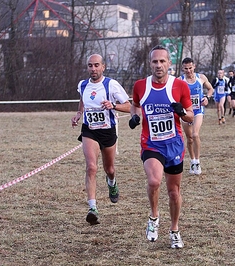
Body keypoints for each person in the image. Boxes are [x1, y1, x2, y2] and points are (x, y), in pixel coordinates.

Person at [128, 45, 194, 249]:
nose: (158, 65)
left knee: (174, 192)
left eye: (162, 61)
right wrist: (134, 116)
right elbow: (135, 104)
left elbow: (191, 116)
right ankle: (154, 217)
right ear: (150, 63)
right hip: (151, 144)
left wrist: (182, 112)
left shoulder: (180, 86)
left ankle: (174, 230)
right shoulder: (140, 85)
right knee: (154, 181)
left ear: (169, 63)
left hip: (174, 145)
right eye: (155, 61)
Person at [71, 54, 131, 225]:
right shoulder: (83, 85)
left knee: (109, 169)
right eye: (90, 65)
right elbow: (83, 100)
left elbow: (129, 106)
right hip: (89, 131)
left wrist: (114, 106)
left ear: (103, 67)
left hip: (108, 131)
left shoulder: (111, 85)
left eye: (97, 65)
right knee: (91, 167)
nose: (93, 69)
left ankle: (112, 182)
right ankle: (93, 208)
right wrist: (78, 114)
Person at [179, 57, 214, 175]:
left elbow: (210, 89)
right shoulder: (180, 80)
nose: (188, 71)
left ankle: (198, 162)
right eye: (185, 69)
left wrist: (207, 97)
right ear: (182, 69)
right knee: (189, 138)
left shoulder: (201, 78)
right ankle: (192, 161)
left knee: (195, 134)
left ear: (194, 66)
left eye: (190, 68)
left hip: (198, 110)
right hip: (185, 112)